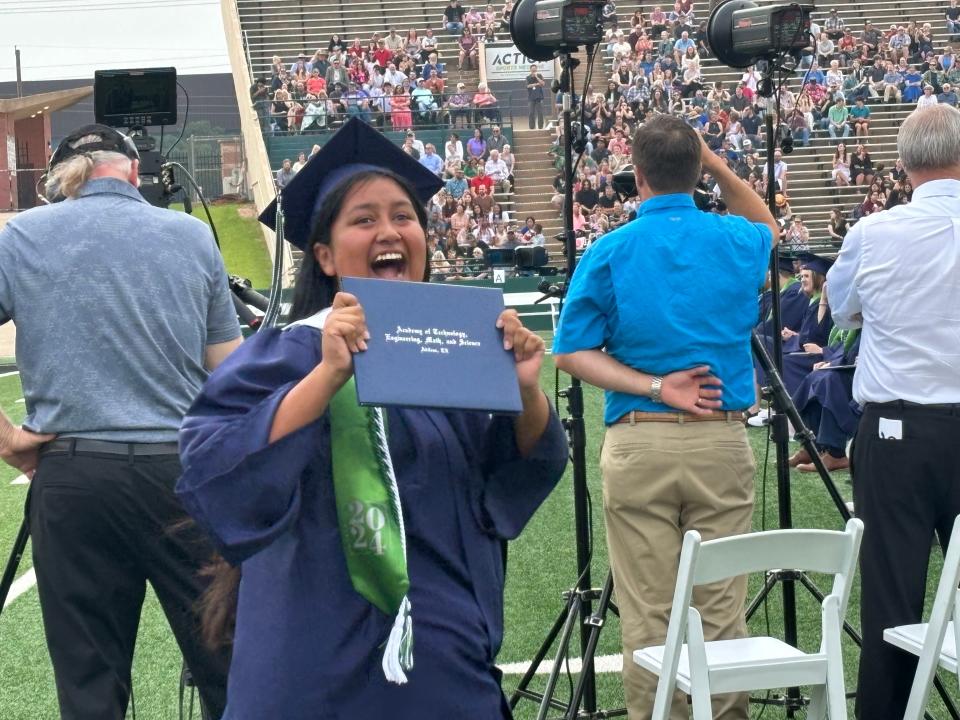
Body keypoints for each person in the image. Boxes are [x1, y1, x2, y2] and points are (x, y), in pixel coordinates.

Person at [175, 118, 567, 719]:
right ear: (326, 256)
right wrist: (327, 377)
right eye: (364, 219)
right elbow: (215, 470)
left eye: (403, 216)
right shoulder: (284, 355)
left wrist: (524, 392)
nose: (390, 231)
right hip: (311, 661)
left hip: (441, 654)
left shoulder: (451, 354)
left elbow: (512, 472)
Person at [0, 124, 238, 719]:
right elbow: (231, 375)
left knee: (90, 685)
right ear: (136, 172)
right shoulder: (191, 235)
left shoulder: (21, 235)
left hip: (72, 477)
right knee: (228, 667)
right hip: (181, 476)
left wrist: (7, 440)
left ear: (62, 180)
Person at [552, 114, 777, 720]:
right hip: (720, 442)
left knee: (649, 618)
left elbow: (571, 352)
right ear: (696, 170)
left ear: (637, 171)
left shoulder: (610, 249)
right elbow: (767, 225)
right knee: (723, 612)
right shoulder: (734, 240)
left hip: (640, 441)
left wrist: (654, 385)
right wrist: (717, 164)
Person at [827, 104, 960, 720]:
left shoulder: (874, 232)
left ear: (904, 166)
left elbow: (843, 310)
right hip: (915, 421)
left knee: (892, 602)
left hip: (898, 431)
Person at [526, 64, 546, 130]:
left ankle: (540, 127)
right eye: (532, 70)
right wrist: (537, 84)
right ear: (530, 70)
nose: (534, 71)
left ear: (536, 69)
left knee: (540, 112)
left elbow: (543, 84)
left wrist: (537, 77)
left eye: (535, 70)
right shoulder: (528, 77)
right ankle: (532, 127)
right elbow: (528, 86)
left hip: (539, 97)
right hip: (531, 98)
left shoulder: (539, 75)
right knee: (531, 112)